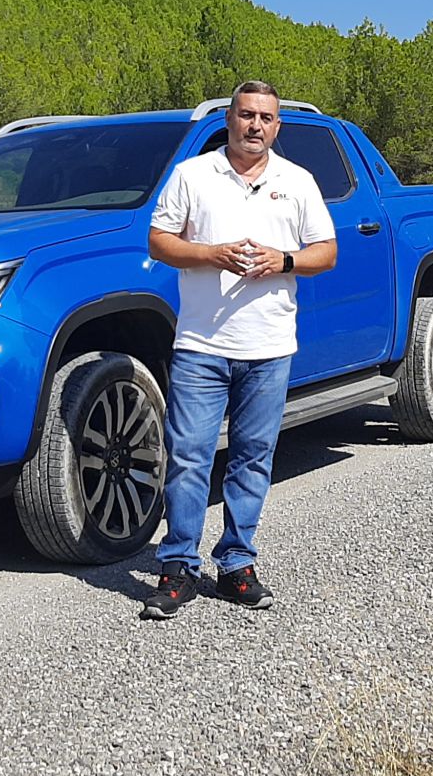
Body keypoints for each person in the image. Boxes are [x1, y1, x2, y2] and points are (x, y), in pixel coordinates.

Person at [139, 81, 337, 619]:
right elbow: (159, 240)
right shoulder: (192, 175)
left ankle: (235, 565)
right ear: (229, 119)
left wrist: (285, 261)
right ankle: (177, 566)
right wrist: (211, 253)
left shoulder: (296, 181)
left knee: (252, 459)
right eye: (246, 115)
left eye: (266, 118)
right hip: (201, 344)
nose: (255, 125)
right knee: (188, 458)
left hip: (269, 346)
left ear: (277, 126)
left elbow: (327, 251)